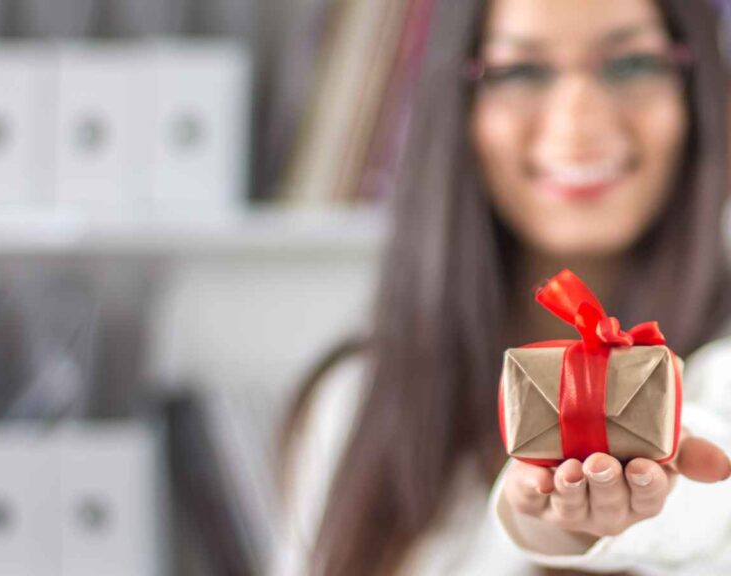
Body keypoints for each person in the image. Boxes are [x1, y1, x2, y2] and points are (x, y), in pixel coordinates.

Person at [271, 0, 731, 574]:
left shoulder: (719, 379)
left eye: (632, 63)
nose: (578, 123)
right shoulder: (352, 406)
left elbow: (712, 492)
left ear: (698, 92)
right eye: (519, 71)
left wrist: (598, 520)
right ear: (458, 104)